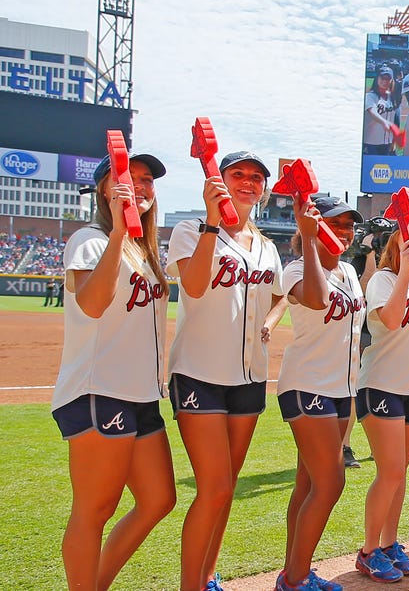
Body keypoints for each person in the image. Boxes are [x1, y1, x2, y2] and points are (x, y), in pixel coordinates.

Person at [52, 152, 174, 591]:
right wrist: (119, 233)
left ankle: (94, 583)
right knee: (95, 508)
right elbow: (92, 303)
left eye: (147, 180)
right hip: (98, 389)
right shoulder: (91, 239)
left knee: (159, 498)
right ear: (106, 187)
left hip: (137, 392)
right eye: (130, 177)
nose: (140, 186)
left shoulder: (143, 250)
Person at [167, 151, 284, 591]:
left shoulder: (267, 246)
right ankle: (191, 585)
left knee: (226, 487)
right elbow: (193, 286)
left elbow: (279, 295)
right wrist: (213, 223)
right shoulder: (191, 230)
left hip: (249, 377)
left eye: (257, 177)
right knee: (214, 487)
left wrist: (270, 324)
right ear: (219, 180)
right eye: (238, 175)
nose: (248, 183)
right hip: (199, 372)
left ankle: (208, 574)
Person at [268, 196, 367, 591]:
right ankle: (294, 579)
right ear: (314, 224)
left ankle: (296, 571)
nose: (343, 232)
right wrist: (309, 240)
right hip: (307, 385)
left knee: (308, 484)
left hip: (340, 390)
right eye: (335, 223)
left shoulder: (349, 270)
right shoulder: (295, 268)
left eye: (348, 226)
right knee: (331, 482)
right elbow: (316, 298)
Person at [353, 210, 409, 583]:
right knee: (388, 471)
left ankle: (389, 544)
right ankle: (368, 551)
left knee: (398, 473)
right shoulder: (384, 280)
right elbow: (389, 320)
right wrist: (405, 270)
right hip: (382, 385)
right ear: (394, 241)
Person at [362, 66, 401, 156]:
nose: (385, 81)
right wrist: (383, 122)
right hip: (371, 143)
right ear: (377, 79)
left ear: (391, 80)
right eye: (382, 78)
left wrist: (393, 141)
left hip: (387, 143)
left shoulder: (392, 97)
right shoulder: (370, 96)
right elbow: (372, 111)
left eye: (388, 79)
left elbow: (394, 120)